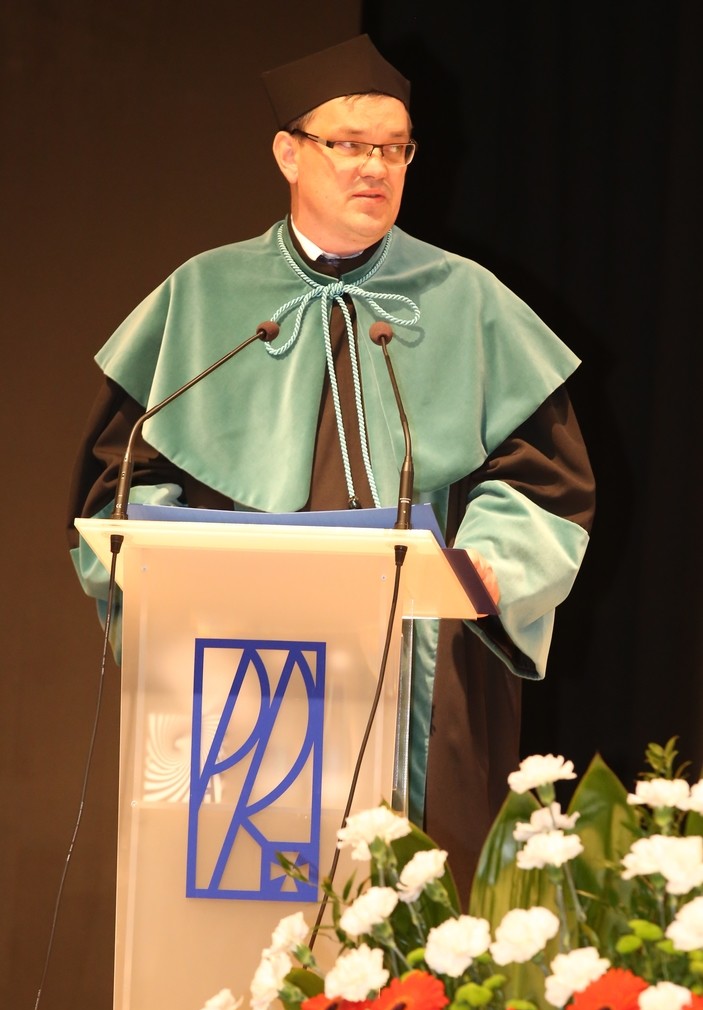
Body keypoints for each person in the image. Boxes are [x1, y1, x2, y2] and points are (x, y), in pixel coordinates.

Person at [67, 35, 595, 898]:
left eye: (394, 149)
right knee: (240, 904)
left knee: (420, 914)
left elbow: (543, 483)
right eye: (349, 145)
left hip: (427, 664)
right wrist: (159, 566)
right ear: (289, 153)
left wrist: (491, 563)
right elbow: (120, 478)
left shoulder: (467, 301)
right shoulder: (204, 298)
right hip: (233, 663)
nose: (374, 168)